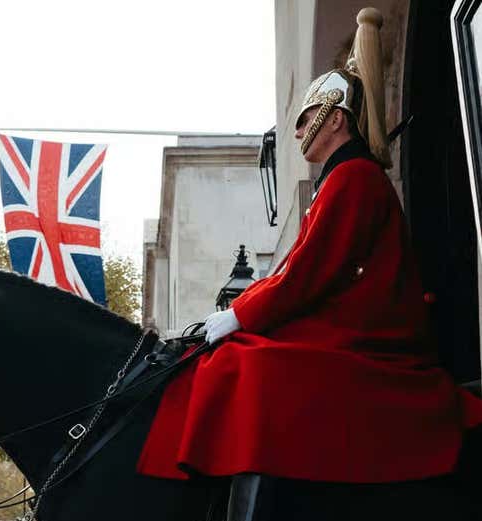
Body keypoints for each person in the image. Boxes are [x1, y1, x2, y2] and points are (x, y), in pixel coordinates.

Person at [136, 7, 482, 521]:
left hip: (372, 333)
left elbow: (306, 274)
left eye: (304, 120)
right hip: (345, 321)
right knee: (234, 357)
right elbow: (293, 269)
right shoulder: (338, 181)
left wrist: (236, 316)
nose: (296, 133)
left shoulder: (355, 178)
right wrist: (240, 312)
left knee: (250, 366)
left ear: (335, 119)